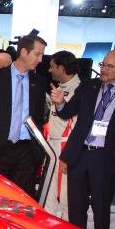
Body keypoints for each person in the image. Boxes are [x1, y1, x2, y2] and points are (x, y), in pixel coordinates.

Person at [50, 50, 115, 229]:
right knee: (76, 208)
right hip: (79, 155)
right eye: (102, 64)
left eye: (110, 66)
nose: (104, 69)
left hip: (105, 157)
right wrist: (60, 102)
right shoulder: (88, 85)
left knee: (101, 209)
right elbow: (67, 112)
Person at [0, 35, 49, 196]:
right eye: (37, 54)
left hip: (27, 152)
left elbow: (39, 118)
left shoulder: (39, 82)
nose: (40, 59)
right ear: (24, 52)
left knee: (21, 201)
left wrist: (37, 152)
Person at [42, 51, 82, 218]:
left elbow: (79, 126)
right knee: (48, 195)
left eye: (52, 67)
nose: (49, 70)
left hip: (66, 147)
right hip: (52, 145)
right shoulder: (59, 88)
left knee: (66, 197)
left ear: (62, 67)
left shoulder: (80, 89)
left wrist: (69, 154)